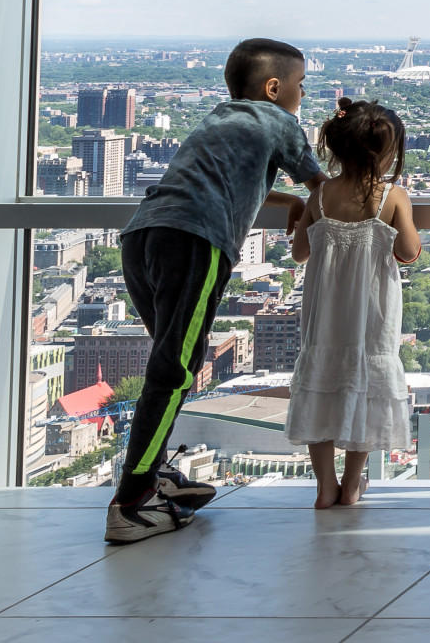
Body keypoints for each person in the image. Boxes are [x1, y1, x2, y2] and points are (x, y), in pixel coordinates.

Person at [107, 38, 323, 544]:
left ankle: (154, 473)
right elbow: (326, 185)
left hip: (143, 236)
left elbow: (231, 178)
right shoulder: (281, 122)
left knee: (169, 360)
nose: (302, 93)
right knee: (175, 370)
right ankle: (133, 502)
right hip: (195, 240)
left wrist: (283, 197)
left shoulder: (221, 119)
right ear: (274, 87)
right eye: (299, 84)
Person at [285, 98, 422, 508]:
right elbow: (410, 250)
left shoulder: (321, 196)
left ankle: (324, 487)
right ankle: (352, 483)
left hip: (324, 315)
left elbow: (299, 254)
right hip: (372, 316)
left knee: (322, 388)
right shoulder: (391, 198)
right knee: (366, 388)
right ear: (387, 153)